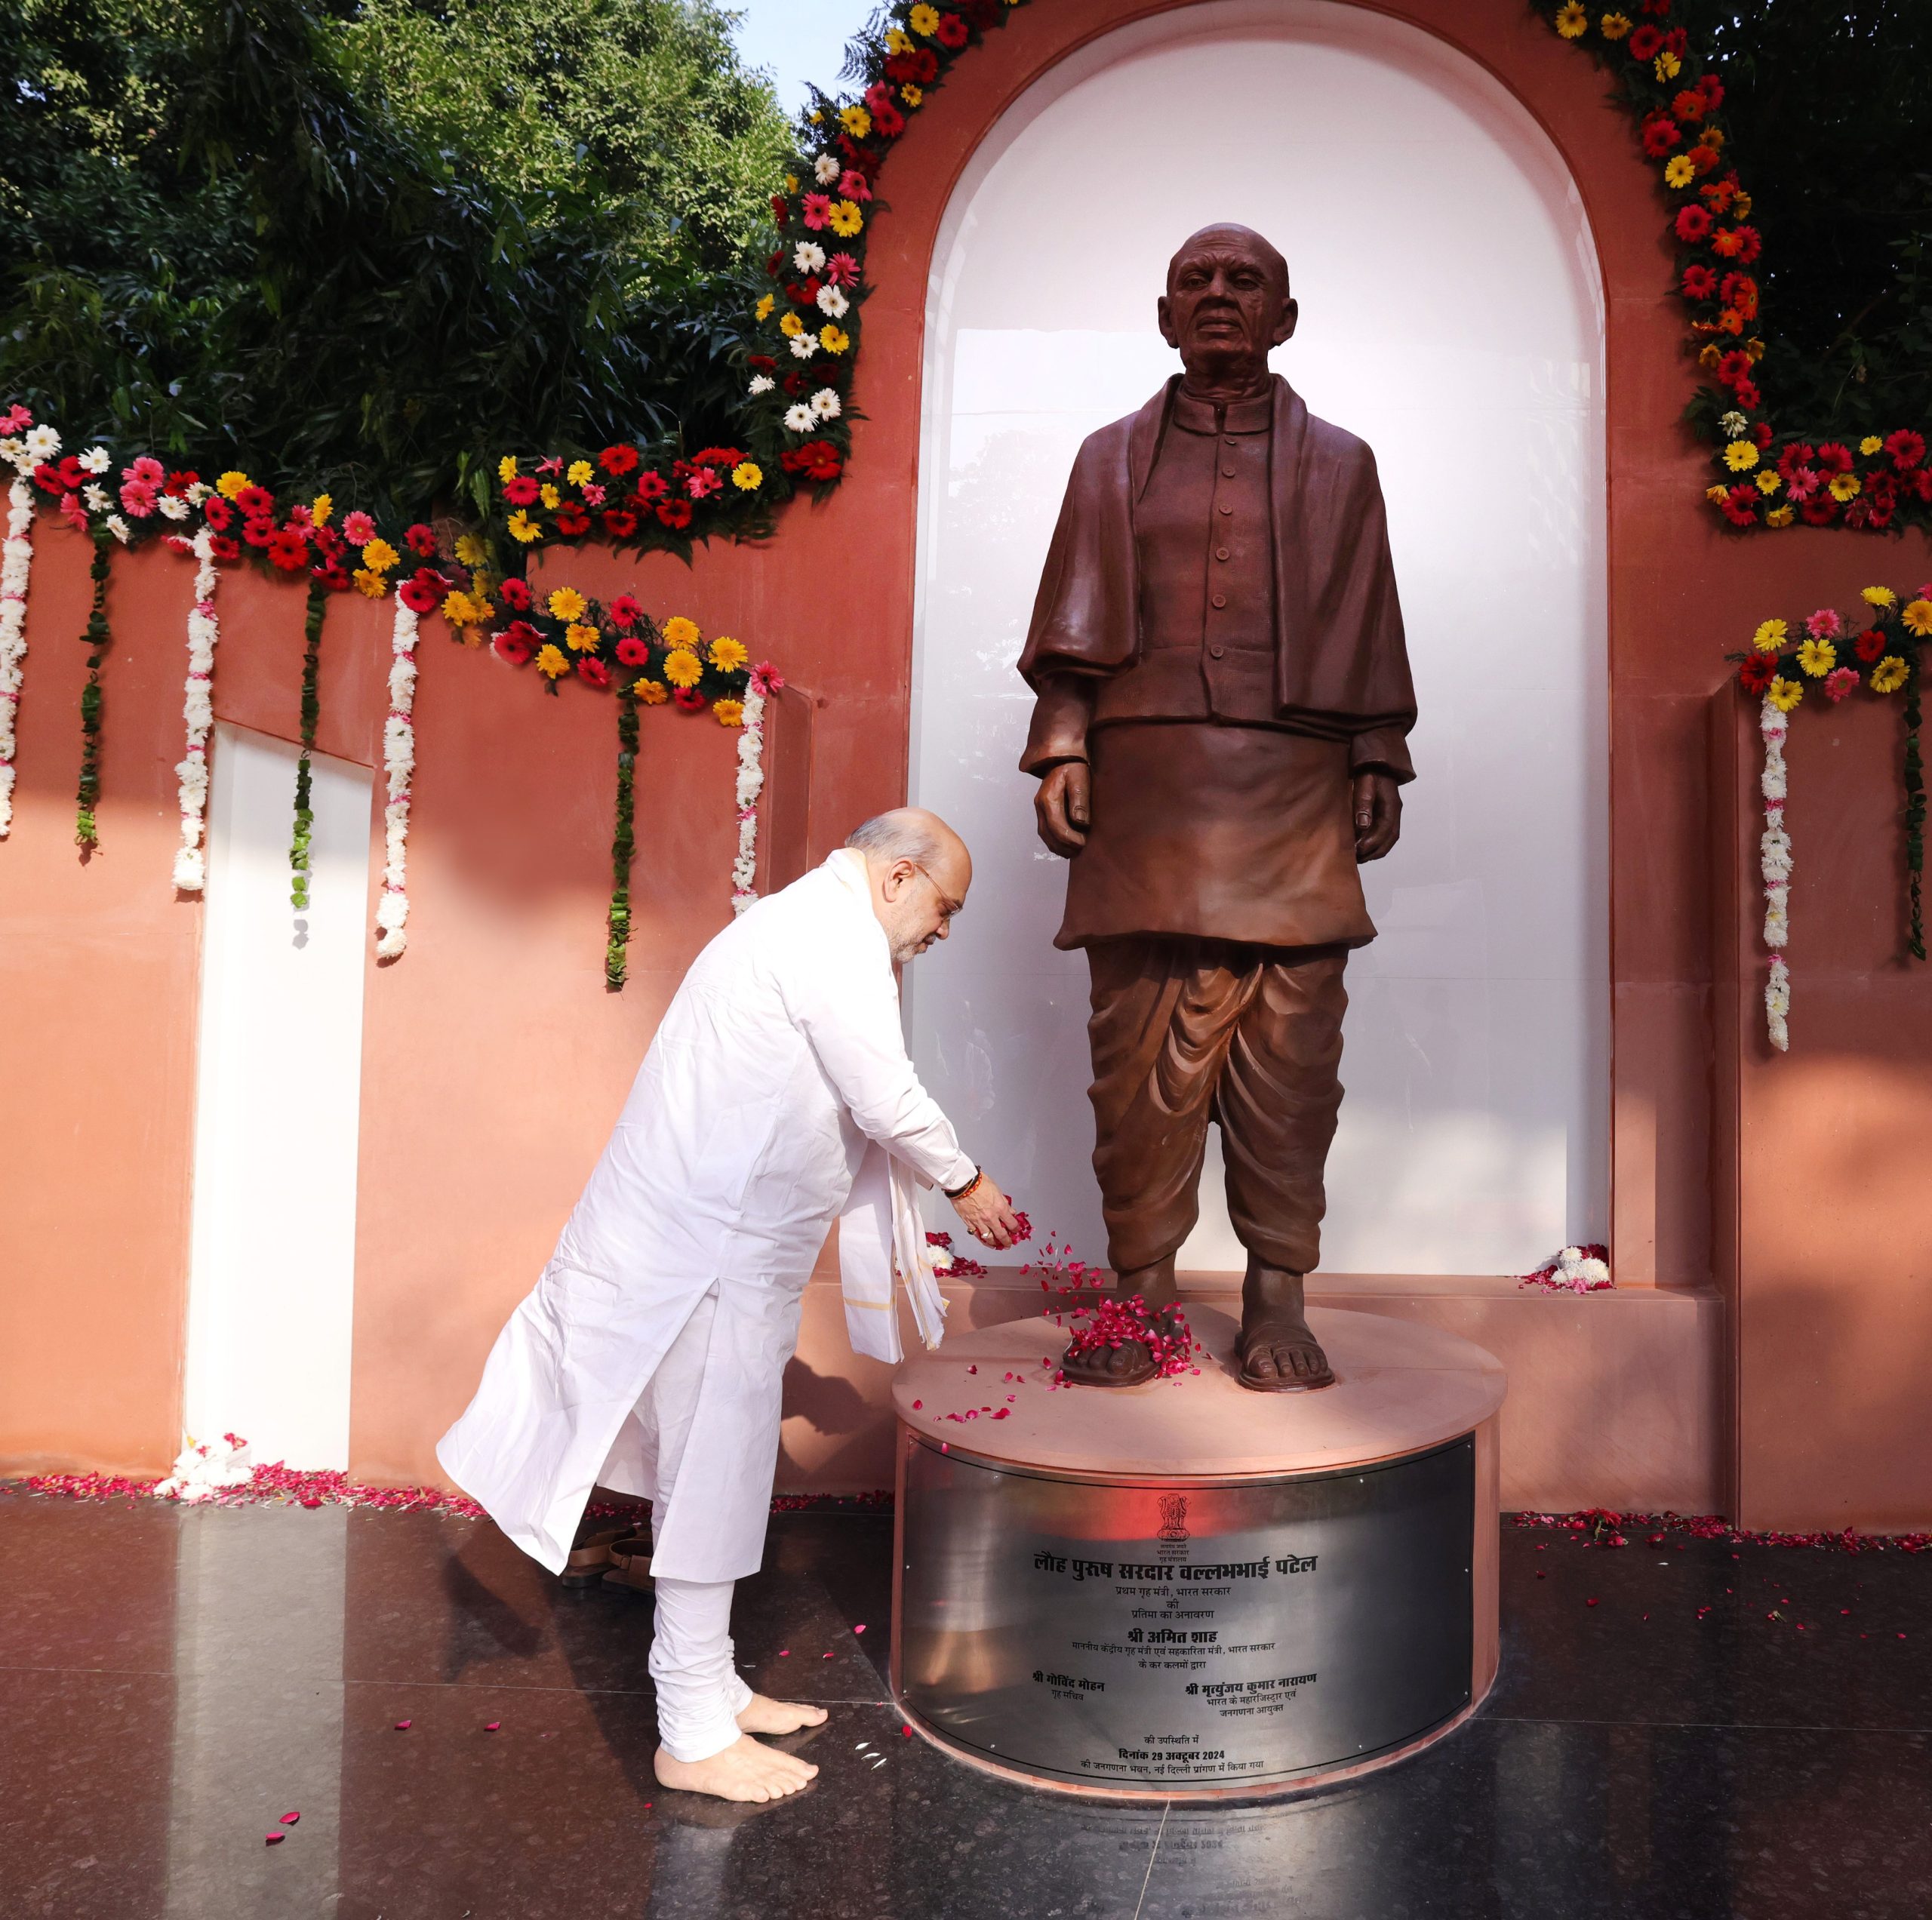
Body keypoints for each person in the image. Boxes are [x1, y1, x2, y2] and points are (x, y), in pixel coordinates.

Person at [438, 809, 1020, 1802]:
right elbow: (882, 1093)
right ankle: (693, 1734)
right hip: (708, 1254)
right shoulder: (829, 934)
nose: (942, 931)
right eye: (944, 907)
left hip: (718, 1251)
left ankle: (710, 1688)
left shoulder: (801, 924)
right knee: (709, 1479)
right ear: (894, 879)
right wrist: (966, 1181)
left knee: (713, 1474)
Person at [1018, 223, 1416, 1392]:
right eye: (1197, 280)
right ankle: (1140, 1294)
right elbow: (1068, 621)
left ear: (1285, 317)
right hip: (1146, 784)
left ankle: (1275, 1290)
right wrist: (1061, 748)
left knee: (1293, 1048)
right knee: (1135, 1042)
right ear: (1163, 315)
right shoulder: (1107, 458)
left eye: (1246, 281)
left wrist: (1375, 753)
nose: (1220, 295)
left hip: (1293, 781)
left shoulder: (1343, 463)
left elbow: (1372, 613)